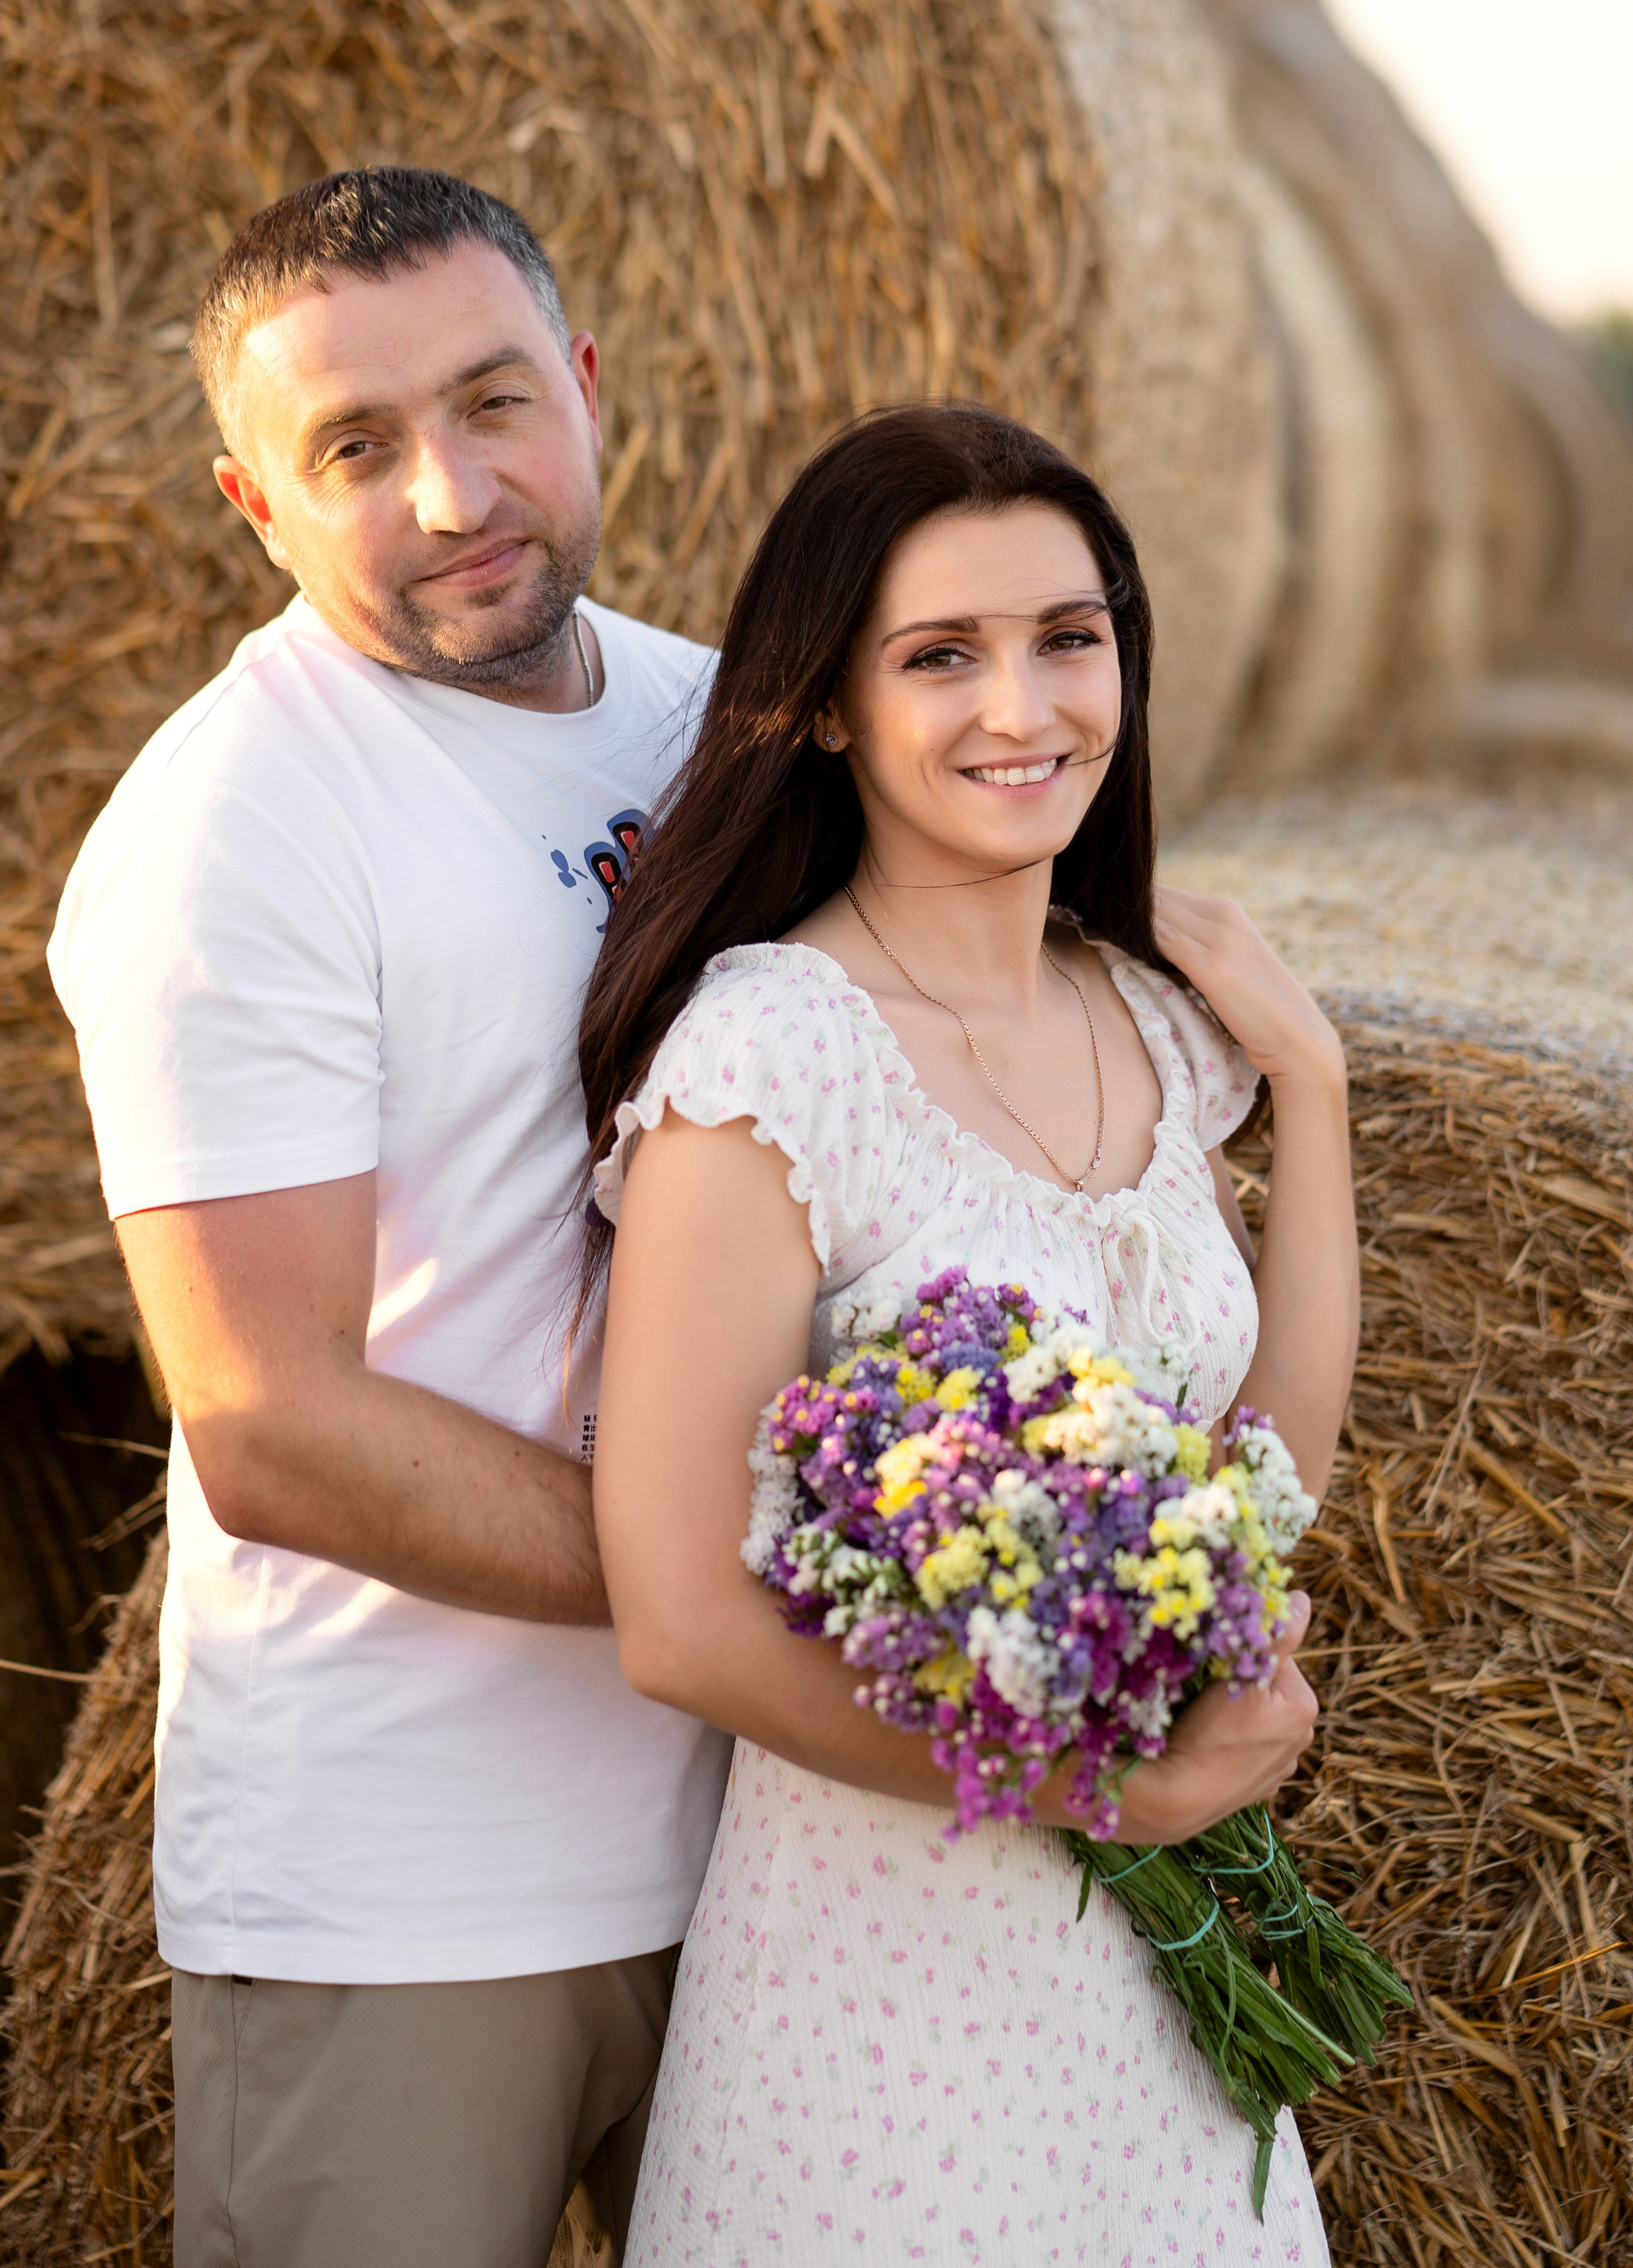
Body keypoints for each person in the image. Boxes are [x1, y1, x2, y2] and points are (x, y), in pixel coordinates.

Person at [582, 405, 1357, 2263]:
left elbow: (1264, 1487)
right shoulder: (771, 1053)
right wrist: (1111, 1785)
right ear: (828, 706)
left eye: (1067, 639)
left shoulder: (1147, 1020)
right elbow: (679, 1618)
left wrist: (1316, 1089)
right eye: (942, 655)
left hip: (1150, 2004)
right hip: (883, 1978)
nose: (1025, 707)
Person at [47, 167, 731, 2268]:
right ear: (254, 505)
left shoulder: (735, 725)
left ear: (586, 386)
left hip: (774, 1853)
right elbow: (276, 1424)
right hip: (411, 1891)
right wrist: (755, 1587)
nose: (454, 493)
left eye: (494, 400)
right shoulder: (236, 828)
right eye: (355, 447)